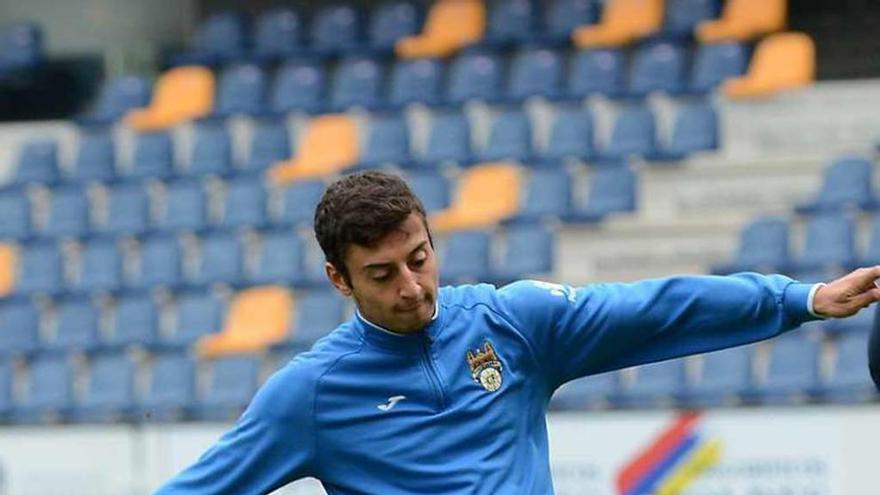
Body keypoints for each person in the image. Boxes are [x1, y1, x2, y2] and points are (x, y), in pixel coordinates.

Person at [155, 171, 880, 495]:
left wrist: (802, 297)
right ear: (339, 280)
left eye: (419, 258)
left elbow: (657, 306)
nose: (412, 286)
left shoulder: (512, 322)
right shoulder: (308, 394)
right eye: (382, 275)